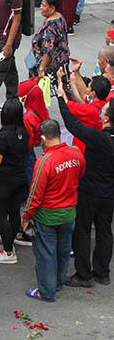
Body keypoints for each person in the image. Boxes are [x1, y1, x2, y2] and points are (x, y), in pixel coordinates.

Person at [58, 78, 114, 287]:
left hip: (89, 191)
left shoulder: (99, 138)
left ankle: (83, 273)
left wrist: (61, 99)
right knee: (104, 230)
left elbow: (72, 125)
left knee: (82, 231)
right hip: (109, 193)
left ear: (107, 118)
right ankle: (102, 271)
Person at [22, 120, 85, 302]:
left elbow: (35, 194)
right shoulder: (76, 153)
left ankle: (47, 292)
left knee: (46, 254)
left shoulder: (44, 162)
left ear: (43, 138)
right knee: (63, 251)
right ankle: (57, 282)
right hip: (69, 213)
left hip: (48, 216)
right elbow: (80, 175)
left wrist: (27, 216)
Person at [0, 99, 31, 265]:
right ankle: (7, 243)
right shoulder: (24, 132)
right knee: (14, 212)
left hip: (4, 181)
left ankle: (9, 252)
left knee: (1, 214)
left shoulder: (3, 135)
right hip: (20, 177)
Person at [27, 0, 70, 78]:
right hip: (61, 59)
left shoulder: (50, 27)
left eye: (44, 6)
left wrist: (42, 68)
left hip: (50, 65)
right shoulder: (59, 17)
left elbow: (47, 50)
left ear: (52, 8)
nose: (41, 8)